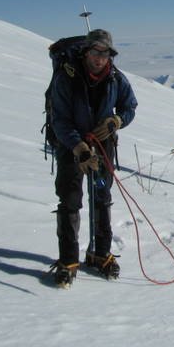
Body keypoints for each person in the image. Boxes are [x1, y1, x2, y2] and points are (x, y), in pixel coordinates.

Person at [49, 29, 137, 288]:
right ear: (86, 52)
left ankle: (100, 253)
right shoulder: (66, 77)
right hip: (71, 146)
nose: (100, 58)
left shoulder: (115, 78)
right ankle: (68, 261)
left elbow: (129, 106)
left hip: (102, 143)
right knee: (70, 199)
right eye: (96, 52)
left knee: (102, 197)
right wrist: (79, 148)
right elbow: (60, 119)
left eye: (105, 52)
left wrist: (117, 121)